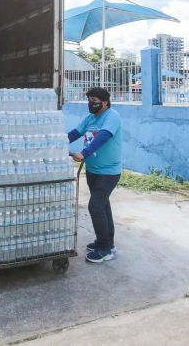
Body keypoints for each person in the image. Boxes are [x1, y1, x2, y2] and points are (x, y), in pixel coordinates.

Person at [68, 87, 122, 263]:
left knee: (96, 206)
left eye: (95, 100)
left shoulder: (112, 116)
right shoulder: (90, 118)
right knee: (103, 206)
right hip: (93, 171)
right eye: (90, 100)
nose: (91, 103)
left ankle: (105, 249)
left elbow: (103, 137)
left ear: (105, 102)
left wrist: (84, 153)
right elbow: (75, 133)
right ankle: (106, 242)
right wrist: (56, 140)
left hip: (108, 172)